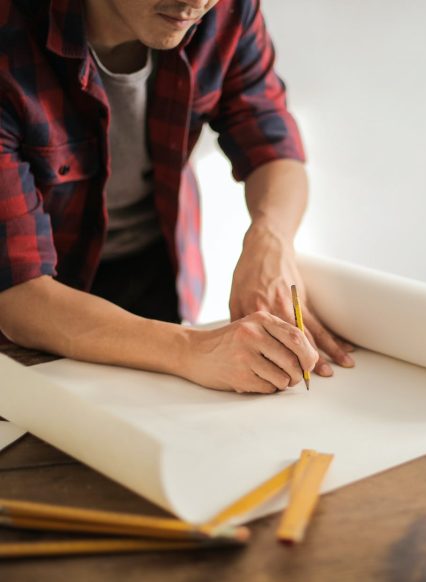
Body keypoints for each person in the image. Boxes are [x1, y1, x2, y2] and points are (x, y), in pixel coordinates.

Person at [0, 0, 354, 393]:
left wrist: (270, 238)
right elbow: (17, 296)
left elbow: (273, 144)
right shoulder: (8, 36)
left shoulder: (224, 12)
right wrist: (194, 349)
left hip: (156, 269)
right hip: (36, 310)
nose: (195, 3)